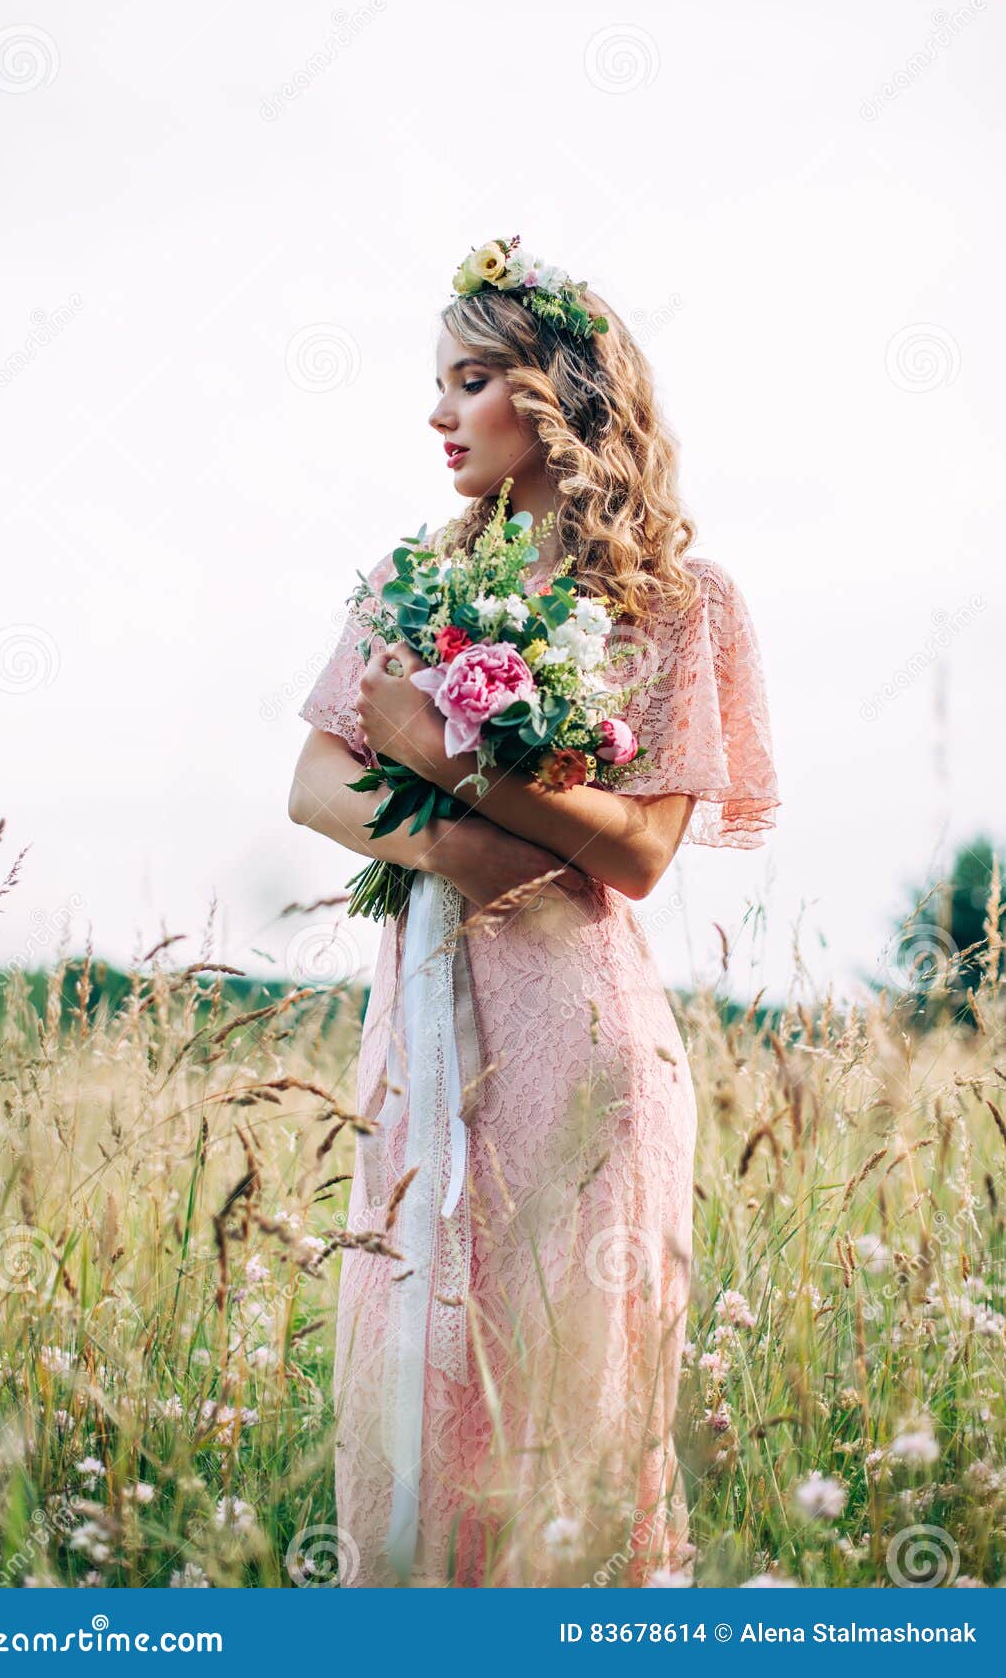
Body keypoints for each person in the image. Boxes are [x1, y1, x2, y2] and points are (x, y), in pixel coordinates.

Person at [288, 236, 780, 1587]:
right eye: (438, 383)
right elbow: (313, 781)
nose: (439, 414)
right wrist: (456, 844)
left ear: (557, 396)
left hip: (583, 1033)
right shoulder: (407, 584)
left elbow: (640, 855)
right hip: (427, 1020)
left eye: (472, 379)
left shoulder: (678, 602)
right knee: (417, 1353)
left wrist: (458, 759)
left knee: (573, 1385)